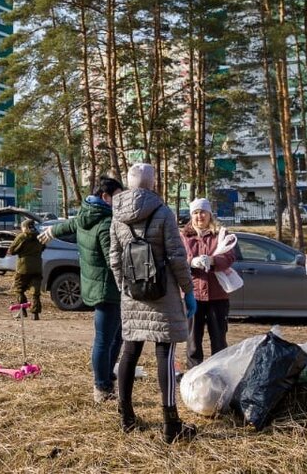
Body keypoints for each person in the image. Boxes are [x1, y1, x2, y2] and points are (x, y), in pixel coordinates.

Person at [109, 163, 197, 443]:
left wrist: (125, 286)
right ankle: (171, 425)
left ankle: (125, 417)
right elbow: (176, 256)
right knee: (165, 355)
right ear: (152, 182)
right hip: (163, 293)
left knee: (129, 353)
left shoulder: (117, 215)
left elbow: (114, 257)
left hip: (132, 293)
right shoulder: (162, 211)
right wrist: (188, 290)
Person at [41, 176, 124, 402]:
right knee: (106, 340)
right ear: (104, 197)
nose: (121, 201)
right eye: (118, 197)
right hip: (108, 288)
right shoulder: (106, 223)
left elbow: (71, 225)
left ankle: (106, 378)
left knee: (114, 337)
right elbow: (113, 261)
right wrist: (130, 283)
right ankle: (102, 387)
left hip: (94, 285)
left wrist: (52, 231)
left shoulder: (87, 214)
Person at [180, 198, 235, 370]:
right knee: (193, 341)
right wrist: (191, 261)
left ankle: (219, 373)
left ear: (210, 214)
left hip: (217, 295)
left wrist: (212, 260)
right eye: (195, 213)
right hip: (192, 295)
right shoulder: (183, 236)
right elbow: (175, 259)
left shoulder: (221, 234)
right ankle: (194, 375)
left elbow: (229, 257)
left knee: (219, 339)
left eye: (203, 212)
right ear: (191, 216)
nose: (199, 216)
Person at [8, 218, 44, 320]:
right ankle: (35, 314)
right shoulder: (39, 236)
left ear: (25, 227)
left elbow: (11, 250)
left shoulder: (22, 237)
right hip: (37, 266)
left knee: (19, 289)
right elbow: (44, 247)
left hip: (23, 267)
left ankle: (22, 311)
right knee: (35, 291)